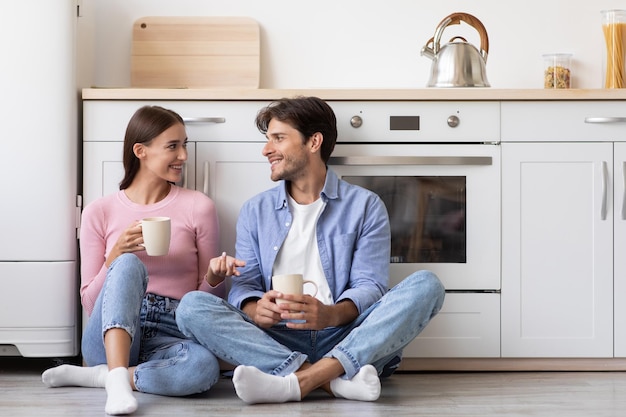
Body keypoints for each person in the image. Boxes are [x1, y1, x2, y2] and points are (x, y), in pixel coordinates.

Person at [175, 96, 445, 404]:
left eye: (278, 138)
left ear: (313, 142)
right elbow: (245, 285)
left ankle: (296, 381)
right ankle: (333, 379)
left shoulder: (365, 206)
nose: (266, 150)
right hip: (275, 337)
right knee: (191, 307)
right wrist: (255, 310)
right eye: (267, 140)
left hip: (344, 333)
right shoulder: (256, 210)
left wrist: (329, 315)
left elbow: (370, 287)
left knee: (428, 285)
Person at [41, 105, 243, 415]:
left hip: (174, 328)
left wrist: (216, 278)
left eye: (184, 145)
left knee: (203, 369)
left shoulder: (198, 207)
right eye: (172, 146)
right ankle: (116, 371)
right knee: (129, 264)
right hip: (110, 335)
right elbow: (91, 304)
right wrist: (114, 257)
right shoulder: (100, 211)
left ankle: (108, 377)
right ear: (141, 151)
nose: (184, 156)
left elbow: (202, 307)